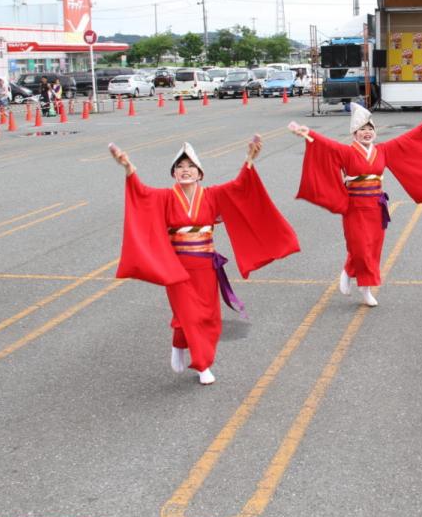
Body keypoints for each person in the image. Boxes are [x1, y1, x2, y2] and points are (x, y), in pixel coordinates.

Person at [110, 138, 299, 385]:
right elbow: (142, 194)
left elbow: (240, 187)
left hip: (206, 266)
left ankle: (179, 343)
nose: (185, 170)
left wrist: (250, 158)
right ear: (173, 174)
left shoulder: (212, 195)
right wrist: (128, 167)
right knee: (189, 314)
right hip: (176, 266)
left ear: (200, 173)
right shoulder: (165, 197)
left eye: (190, 166)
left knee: (208, 317)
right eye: (180, 166)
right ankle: (202, 365)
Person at [289, 103, 422, 307]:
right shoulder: (346, 152)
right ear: (354, 133)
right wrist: (307, 133)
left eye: (370, 129)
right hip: (354, 207)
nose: (367, 133)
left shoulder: (383, 150)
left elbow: (405, 140)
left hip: (377, 207)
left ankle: (359, 281)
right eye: (362, 130)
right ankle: (357, 279)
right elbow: (326, 145)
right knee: (360, 246)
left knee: (373, 247)